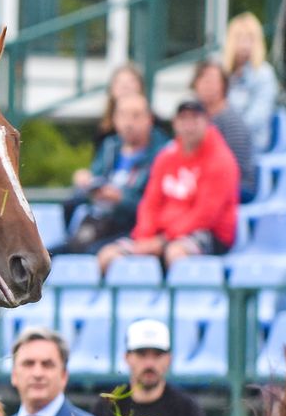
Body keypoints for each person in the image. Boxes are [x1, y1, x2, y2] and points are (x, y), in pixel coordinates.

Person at [97, 98, 239, 274]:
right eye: (183, 119)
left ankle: (188, 301)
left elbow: (205, 215)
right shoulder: (166, 156)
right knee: (108, 255)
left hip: (208, 234)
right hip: (161, 235)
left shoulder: (221, 160)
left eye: (194, 119)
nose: (188, 125)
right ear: (175, 123)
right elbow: (150, 203)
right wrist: (145, 237)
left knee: (176, 253)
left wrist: (163, 240)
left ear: (206, 122)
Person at [60, 92, 168, 254]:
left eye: (136, 116)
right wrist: (86, 182)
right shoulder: (110, 146)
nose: (129, 123)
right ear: (115, 119)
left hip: (132, 229)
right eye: (123, 115)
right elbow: (93, 183)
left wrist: (120, 199)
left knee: (91, 255)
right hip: (99, 222)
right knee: (52, 255)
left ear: (149, 119)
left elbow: (159, 206)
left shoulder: (163, 153)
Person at [192, 59, 256, 203]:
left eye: (212, 80)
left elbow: (237, 168)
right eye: (202, 79)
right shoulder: (194, 118)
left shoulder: (232, 121)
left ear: (224, 85)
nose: (206, 85)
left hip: (238, 185)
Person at [223, 12, 279, 153]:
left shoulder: (264, 74)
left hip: (250, 142)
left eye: (250, 39)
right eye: (239, 38)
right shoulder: (223, 72)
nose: (244, 45)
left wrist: (229, 132)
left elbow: (256, 118)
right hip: (221, 138)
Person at [93, 63, 147, 150]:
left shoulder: (154, 126)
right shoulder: (104, 130)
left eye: (131, 81)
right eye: (119, 82)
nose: (125, 86)